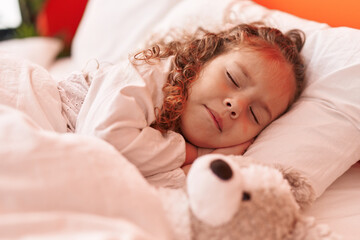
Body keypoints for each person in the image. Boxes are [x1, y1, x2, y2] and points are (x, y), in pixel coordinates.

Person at [0, 23, 305, 179]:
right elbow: (104, 142)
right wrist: (191, 153)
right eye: (234, 79)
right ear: (200, 61)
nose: (236, 106)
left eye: (255, 114)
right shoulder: (146, 75)